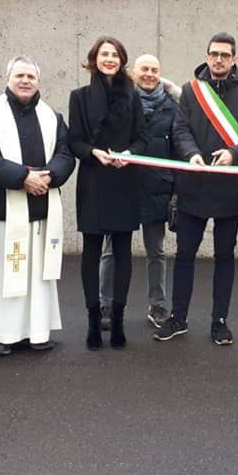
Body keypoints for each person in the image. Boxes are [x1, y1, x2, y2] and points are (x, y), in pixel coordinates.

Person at [155, 31, 238, 345]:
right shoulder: (192, 91)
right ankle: (178, 318)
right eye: (213, 54)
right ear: (207, 57)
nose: (218, 59)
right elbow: (180, 129)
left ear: (233, 59)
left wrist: (235, 154)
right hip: (192, 186)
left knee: (224, 256)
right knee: (185, 255)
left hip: (229, 189)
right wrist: (191, 154)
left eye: (225, 55)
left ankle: (219, 321)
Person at [0, 56, 75, 356]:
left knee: (40, 274)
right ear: (7, 77)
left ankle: (38, 332)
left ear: (39, 81)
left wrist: (49, 176)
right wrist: (23, 178)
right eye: (20, 75)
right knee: (8, 273)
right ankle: (5, 335)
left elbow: (65, 154)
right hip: (5, 209)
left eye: (31, 76)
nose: (26, 81)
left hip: (42, 208)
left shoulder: (52, 117)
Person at [68, 37, 148, 350]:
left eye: (115, 54)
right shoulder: (79, 97)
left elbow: (143, 139)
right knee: (90, 252)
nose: (110, 58)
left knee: (123, 251)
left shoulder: (133, 97)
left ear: (122, 60)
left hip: (124, 179)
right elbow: (74, 140)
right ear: (94, 59)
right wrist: (94, 153)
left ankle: (117, 321)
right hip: (93, 178)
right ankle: (92, 322)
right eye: (104, 54)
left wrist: (129, 154)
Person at [97, 54, 176, 330]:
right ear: (134, 72)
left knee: (156, 251)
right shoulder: (118, 102)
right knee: (111, 251)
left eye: (155, 70)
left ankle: (157, 305)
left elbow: (176, 149)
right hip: (123, 186)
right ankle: (105, 303)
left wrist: (174, 189)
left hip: (157, 188)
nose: (149, 74)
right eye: (145, 69)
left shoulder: (172, 107)